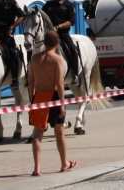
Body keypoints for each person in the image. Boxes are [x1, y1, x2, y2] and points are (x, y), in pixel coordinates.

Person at [28, 30, 76, 175]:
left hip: (39, 96)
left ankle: (37, 168)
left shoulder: (35, 58)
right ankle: (64, 163)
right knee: (59, 132)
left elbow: (31, 81)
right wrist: (62, 103)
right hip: (54, 95)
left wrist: (32, 99)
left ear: (43, 42)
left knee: (37, 134)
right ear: (57, 43)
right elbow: (59, 82)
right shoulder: (57, 59)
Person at [42, 0, 79, 87]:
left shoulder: (69, 5)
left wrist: (58, 27)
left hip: (62, 34)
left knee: (72, 50)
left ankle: (75, 74)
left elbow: (71, 22)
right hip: (49, 34)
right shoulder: (48, 5)